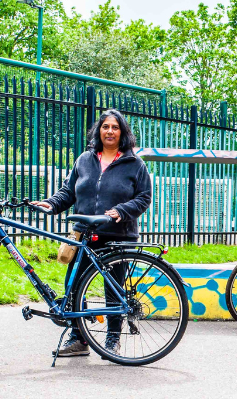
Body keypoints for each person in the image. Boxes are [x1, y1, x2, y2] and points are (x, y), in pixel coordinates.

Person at [31, 109, 152, 357]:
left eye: (115, 127)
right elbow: (68, 192)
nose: (109, 131)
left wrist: (122, 210)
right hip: (85, 235)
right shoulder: (84, 160)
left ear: (123, 133)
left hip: (118, 235)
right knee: (73, 285)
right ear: (99, 130)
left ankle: (113, 339)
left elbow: (144, 197)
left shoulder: (135, 164)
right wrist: (52, 203)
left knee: (114, 288)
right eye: (105, 126)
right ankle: (79, 338)